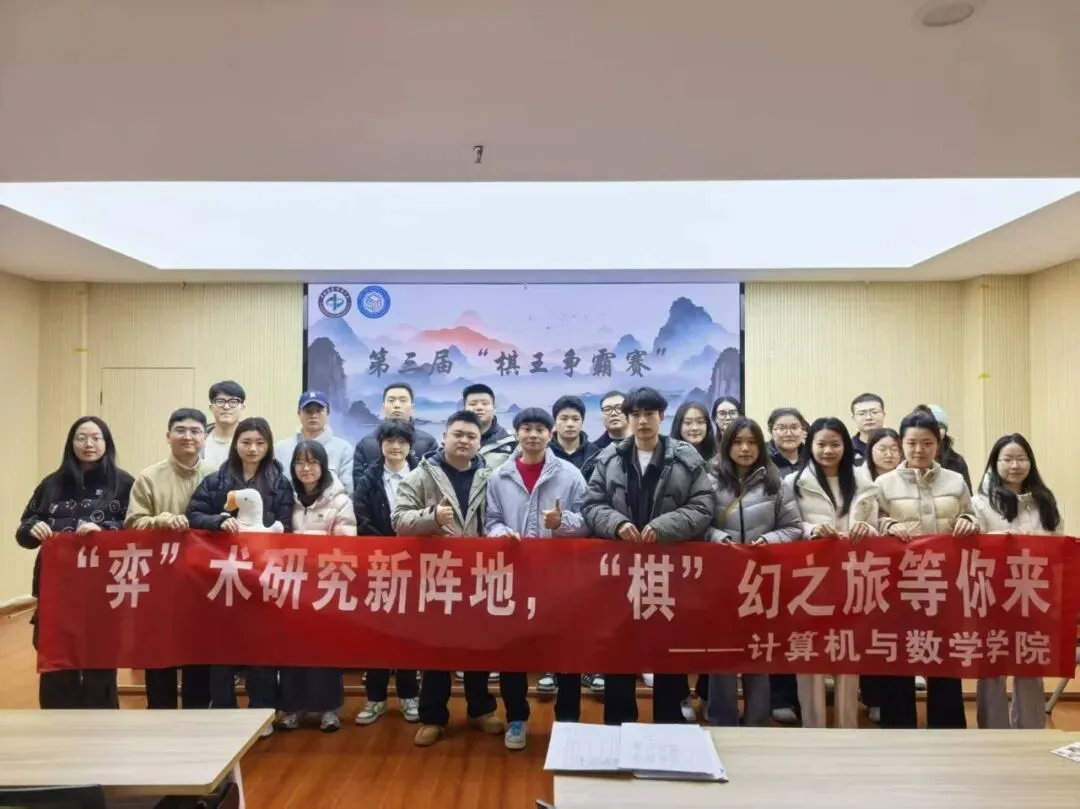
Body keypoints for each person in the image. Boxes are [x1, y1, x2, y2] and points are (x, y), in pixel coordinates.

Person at [582, 386, 715, 725]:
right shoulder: (609, 458)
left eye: (649, 414)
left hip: (668, 571)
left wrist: (662, 527)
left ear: (662, 416)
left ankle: (668, 724)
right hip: (621, 573)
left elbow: (703, 506)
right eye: (636, 414)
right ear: (628, 418)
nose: (642, 421)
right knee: (618, 647)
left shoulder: (686, 458)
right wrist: (617, 524)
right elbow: (592, 504)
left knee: (667, 648)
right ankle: (619, 724)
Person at [392, 410, 505, 748]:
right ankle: (433, 717)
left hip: (478, 576)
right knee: (436, 650)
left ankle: (481, 709)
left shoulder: (491, 477)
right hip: (436, 577)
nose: (464, 441)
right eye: (458, 434)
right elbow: (398, 520)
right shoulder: (421, 475)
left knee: (478, 648)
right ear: (444, 437)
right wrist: (432, 517)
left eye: (471, 436)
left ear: (480, 442)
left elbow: (498, 519)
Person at [16, 416, 135, 709]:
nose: (88, 444)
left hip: (103, 588)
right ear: (71, 443)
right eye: (81, 437)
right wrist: (32, 528)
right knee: (56, 659)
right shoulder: (51, 483)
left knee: (100, 659)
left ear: (106, 443)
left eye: (96, 437)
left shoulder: (123, 483)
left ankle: (101, 724)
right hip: (56, 589)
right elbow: (24, 531)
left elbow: (134, 529)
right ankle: (57, 723)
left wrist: (105, 530)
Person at [872, 409, 978, 729]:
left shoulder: (955, 481)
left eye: (927, 443)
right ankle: (898, 729)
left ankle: (947, 731)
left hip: (944, 584)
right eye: (912, 443)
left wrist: (967, 521)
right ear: (901, 444)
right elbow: (871, 522)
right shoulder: (884, 483)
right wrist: (887, 525)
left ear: (938, 444)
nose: (919, 450)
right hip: (899, 585)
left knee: (944, 659)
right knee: (900, 658)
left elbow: (973, 516)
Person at [187, 416, 294, 731]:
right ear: (236, 445)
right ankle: (223, 711)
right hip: (224, 577)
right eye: (246, 442)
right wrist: (217, 521)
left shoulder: (279, 482)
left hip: (262, 577)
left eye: (260, 443)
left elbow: (287, 527)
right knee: (223, 648)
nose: (253, 449)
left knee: (261, 648)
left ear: (268, 446)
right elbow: (193, 514)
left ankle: (261, 713)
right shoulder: (217, 480)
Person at [486, 407, 588, 736]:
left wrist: (562, 522)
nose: (533, 435)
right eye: (526, 428)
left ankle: (568, 720)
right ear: (516, 433)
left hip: (559, 578)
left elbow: (588, 521)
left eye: (539, 429)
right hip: (514, 576)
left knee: (566, 650)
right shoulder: (499, 476)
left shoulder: (570, 475)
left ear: (550, 434)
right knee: (512, 651)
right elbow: (491, 521)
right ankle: (516, 717)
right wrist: (502, 534)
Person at [704, 417, 801, 726]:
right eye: (737, 442)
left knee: (759, 652)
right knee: (722, 654)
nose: (744, 448)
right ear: (726, 445)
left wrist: (768, 541)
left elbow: (794, 528)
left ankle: (756, 721)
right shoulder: (709, 480)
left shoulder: (776, 483)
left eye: (751, 442)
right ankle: (722, 720)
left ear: (760, 446)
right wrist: (719, 537)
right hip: (721, 580)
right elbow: (697, 524)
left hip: (762, 581)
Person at [125, 408, 217, 710]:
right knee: (159, 653)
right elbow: (133, 524)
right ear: (168, 436)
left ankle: (196, 717)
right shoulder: (149, 478)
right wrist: (159, 521)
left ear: (204, 437)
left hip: (203, 581)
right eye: (181, 430)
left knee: (198, 654)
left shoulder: (216, 475)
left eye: (195, 431)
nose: (188, 437)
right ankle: (159, 717)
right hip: (159, 579)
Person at [787, 417, 876, 728]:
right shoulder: (793, 483)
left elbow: (876, 529)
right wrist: (811, 530)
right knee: (809, 653)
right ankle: (813, 728)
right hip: (809, 581)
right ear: (810, 445)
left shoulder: (865, 483)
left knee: (848, 653)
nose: (828, 450)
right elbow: (788, 526)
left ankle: (847, 728)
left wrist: (867, 530)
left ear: (845, 446)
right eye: (821, 444)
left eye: (835, 444)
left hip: (852, 579)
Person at [973, 433, 1062, 729]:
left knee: (1030, 664)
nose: (1015, 465)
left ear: (1030, 463)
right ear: (995, 463)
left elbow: (1058, 546)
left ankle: (1031, 731)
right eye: (1008, 459)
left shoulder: (1045, 501)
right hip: (993, 595)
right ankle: (992, 733)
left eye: (1021, 459)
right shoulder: (980, 503)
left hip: (1034, 594)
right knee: (992, 667)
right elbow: (972, 547)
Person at [278, 440, 355, 733]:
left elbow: (346, 544)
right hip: (290, 585)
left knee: (325, 649)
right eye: (300, 462)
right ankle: (292, 708)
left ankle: (329, 708)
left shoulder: (340, 500)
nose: (306, 468)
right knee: (291, 649)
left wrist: (307, 548)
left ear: (323, 466)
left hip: (326, 585)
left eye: (312, 462)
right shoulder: (285, 496)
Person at [352, 419, 420, 726]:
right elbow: (361, 518)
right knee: (376, 634)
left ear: (410, 445)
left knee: (408, 633)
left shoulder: (421, 475)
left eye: (401, 441)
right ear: (380, 444)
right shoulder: (368, 478)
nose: (395, 446)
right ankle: (375, 698)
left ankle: (409, 695)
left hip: (414, 565)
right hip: (377, 565)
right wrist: (386, 551)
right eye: (390, 441)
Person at [662, 400, 717, 713]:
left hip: (712, 557)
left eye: (700, 422)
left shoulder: (720, 461)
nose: (694, 428)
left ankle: (707, 693)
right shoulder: (668, 459)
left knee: (710, 629)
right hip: (676, 555)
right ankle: (680, 693)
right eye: (688, 422)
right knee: (676, 628)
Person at [579, 389, 629, 697]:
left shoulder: (656, 450)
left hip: (644, 542)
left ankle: (640, 661)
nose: (614, 413)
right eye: (607, 408)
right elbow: (589, 502)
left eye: (619, 407)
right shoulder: (593, 453)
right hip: (604, 542)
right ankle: (597, 666)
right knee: (603, 609)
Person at [763, 405, 807, 723]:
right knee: (777, 629)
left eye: (794, 427)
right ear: (771, 432)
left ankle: (808, 700)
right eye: (781, 427)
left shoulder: (814, 458)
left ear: (804, 431)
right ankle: (780, 698)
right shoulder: (763, 463)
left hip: (814, 556)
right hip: (776, 552)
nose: (788, 433)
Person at [855, 427, 902, 723]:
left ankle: (891, 697)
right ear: (869, 451)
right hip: (867, 568)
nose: (889, 454)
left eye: (894, 448)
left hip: (905, 569)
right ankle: (872, 696)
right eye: (882, 448)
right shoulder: (860, 481)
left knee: (894, 634)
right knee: (870, 635)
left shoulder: (905, 479)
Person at [351, 382, 438, 490]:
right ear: (383, 408)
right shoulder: (365, 444)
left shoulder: (428, 443)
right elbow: (359, 487)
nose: (396, 405)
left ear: (412, 408)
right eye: (391, 400)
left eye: (402, 400)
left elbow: (434, 485)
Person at [274, 391, 354, 494]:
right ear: (299, 413)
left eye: (319, 411)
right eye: (308, 411)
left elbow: (347, 490)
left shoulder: (344, 449)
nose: (314, 415)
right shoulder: (280, 449)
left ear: (328, 413)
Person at [915, 404, 972, 491]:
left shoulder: (956, 461)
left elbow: (967, 494)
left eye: (941, 426)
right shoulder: (912, 457)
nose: (937, 430)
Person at [462, 383, 517, 470]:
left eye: (484, 403)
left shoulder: (511, 441)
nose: (479, 408)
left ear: (494, 408)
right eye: (473, 404)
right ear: (464, 409)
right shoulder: (455, 440)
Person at [549, 395, 600, 472]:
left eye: (575, 419)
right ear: (554, 421)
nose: (570, 424)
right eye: (564, 419)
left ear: (582, 421)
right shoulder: (544, 452)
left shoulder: (595, 453)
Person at [203, 380, 246, 469]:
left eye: (233, 402)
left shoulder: (253, 442)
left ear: (242, 407)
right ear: (211, 407)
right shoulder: (198, 440)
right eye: (220, 401)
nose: (226, 407)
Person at [850, 393, 886, 465]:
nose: (868, 417)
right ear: (854, 418)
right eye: (862, 414)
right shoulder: (847, 448)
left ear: (883, 414)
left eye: (874, 412)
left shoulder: (898, 444)